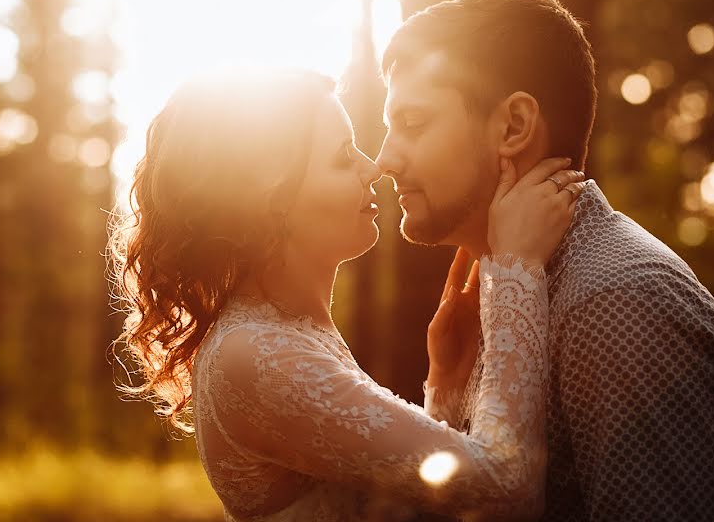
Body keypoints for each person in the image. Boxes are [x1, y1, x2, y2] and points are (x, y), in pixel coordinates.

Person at [110, 67, 586, 521]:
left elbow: (418, 495)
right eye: (343, 156)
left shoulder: (288, 330)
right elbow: (506, 490)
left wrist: (446, 382)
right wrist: (517, 269)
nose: (373, 167)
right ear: (270, 203)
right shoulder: (254, 355)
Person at [376, 0, 714, 520]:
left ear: (513, 126)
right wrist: (446, 390)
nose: (384, 159)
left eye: (413, 124)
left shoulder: (621, 302)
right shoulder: (511, 293)